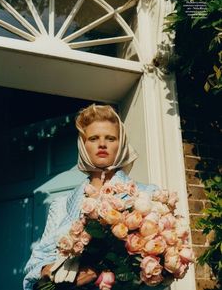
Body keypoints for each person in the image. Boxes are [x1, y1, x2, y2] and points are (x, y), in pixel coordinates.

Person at [23, 104, 161, 290]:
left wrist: (100, 270)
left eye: (110, 138)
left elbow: (161, 261)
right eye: (93, 138)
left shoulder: (146, 195)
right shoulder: (62, 205)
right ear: (83, 145)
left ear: (120, 145)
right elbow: (36, 262)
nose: (102, 144)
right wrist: (48, 270)